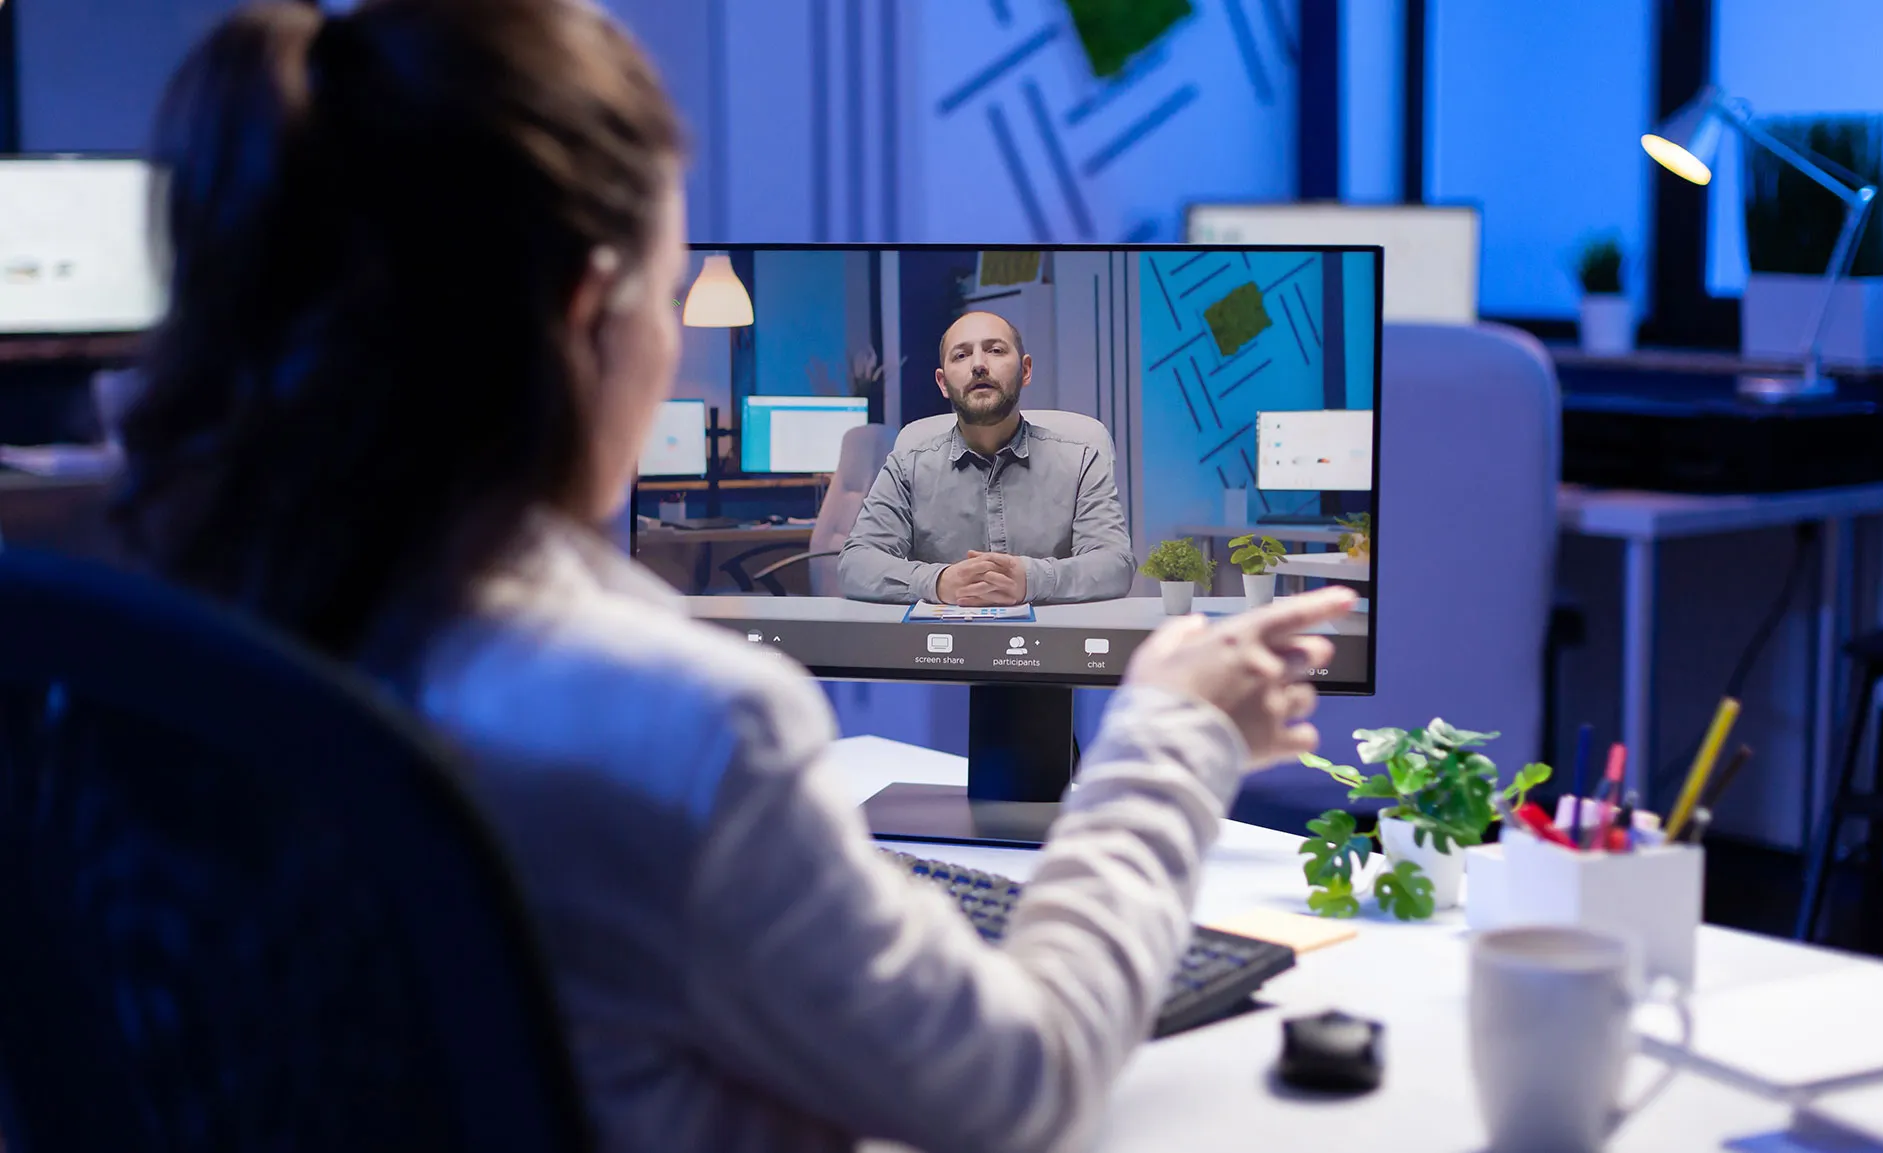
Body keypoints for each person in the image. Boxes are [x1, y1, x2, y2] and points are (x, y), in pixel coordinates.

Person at [115, 3, 1358, 1152]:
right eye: (668, 292)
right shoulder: (692, 726)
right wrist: (1171, 733)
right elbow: (1012, 1082)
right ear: (589, 306)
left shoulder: (158, 623)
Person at [837, 310, 1135, 606]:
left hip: (1051, 644)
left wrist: (1032, 580)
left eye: (995, 350)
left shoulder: (1080, 459)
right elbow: (856, 563)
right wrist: (939, 583)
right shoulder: (908, 466)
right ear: (942, 383)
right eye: (961, 355)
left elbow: (1115, 564)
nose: (979, 365)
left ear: (1026, 370)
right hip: (942, 645)